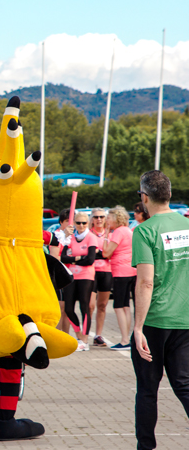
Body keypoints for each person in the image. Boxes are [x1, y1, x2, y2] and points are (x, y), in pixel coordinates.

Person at [130, 170, 189, 450]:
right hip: (184, 318)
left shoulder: (145, 231)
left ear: (144, 198)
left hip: (156, 320)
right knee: (184, 384)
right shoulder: (186, 225)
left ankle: (146, 446)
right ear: (169, 194)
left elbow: (145, 282)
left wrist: (137, 327)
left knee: (147, 389)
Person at [60, 212, 97, 351]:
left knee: (84, 306)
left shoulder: (91, 237)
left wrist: (74, 259)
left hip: (86, 276)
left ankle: (85, 340)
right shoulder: (70, 237)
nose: (81, 225)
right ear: (74, 223)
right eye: (78, 223)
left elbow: (90, 260)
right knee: (68, 308)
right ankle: (79, 335)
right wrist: (79, 258)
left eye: (84, 223)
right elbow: (63, 257)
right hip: (72, 276)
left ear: (88, 223)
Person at [101, 205, 136, 350]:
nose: (107, 221)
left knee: (118, 306)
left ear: (116, 218)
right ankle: (127, 338)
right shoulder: (128, 230)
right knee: (126, 306)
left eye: (108, 218)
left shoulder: (118, 232)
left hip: (121, 272)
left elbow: (106, 253)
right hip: (131, 271)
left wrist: (105, 236)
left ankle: (124, 339)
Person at [89, 208, 112, 347]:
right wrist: (101, 253)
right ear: (92, 219)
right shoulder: (88, 234)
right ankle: (85, 333)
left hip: (106, 271)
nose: (99, 219)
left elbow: (109, 253)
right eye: (96, 217)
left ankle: (98, 335)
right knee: (90, 305)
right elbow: (91, 253)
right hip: (91, 271)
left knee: (102, 305)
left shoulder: (110, 234)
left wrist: (99, 253)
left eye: (101, 217)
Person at [52, 209, 75, 333]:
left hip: (71, 275)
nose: (70, 224)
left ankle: (66, 335)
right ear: (61, 222)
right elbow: (55, 257)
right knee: (60, 309)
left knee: (68, 309)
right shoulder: (57, 236)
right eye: (67, 221)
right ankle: (58, 334)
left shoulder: (73, 237)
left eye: (72, 222)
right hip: (60, 275)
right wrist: (74, 259)